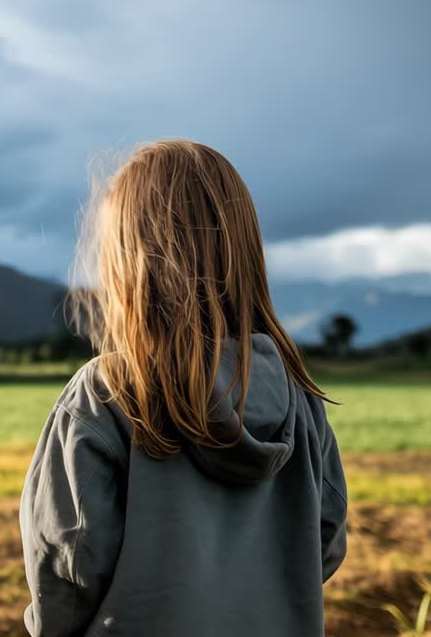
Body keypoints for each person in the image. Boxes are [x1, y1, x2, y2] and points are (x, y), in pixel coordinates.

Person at [20, 140, 347, 636]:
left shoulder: (105, 394)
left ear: (129, 263)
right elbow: (323, 545)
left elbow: (67, 567)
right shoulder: (301, 401)